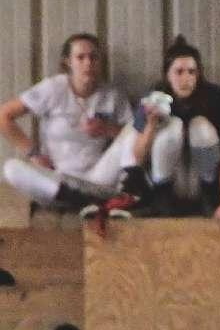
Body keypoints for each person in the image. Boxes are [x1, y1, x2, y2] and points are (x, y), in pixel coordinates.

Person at [1, 33, 135, 211]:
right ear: (68, 62)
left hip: (97, 178)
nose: (88, 63)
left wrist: (108, 129)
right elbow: (4, 116)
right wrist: (34, 154)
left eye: (93, 57)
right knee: (11, 168)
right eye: (80, 57)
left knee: (137, 128)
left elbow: (135, 136)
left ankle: (90, 198)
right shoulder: (53, 88)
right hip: (57, 178)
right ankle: (78, 199)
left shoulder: (112, 95)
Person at [127, 35, 220, 218]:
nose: (186, 78)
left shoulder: (215, 97)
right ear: (167, 75)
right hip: (169, 179)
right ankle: (162, 198)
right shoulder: (154, 99)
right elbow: (137, 157)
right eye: (179, 72)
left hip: (202, 179)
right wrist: (151, 125)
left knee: (200, 125)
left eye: (192, 72)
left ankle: (208, 197)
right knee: (173, 125)